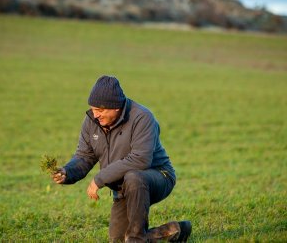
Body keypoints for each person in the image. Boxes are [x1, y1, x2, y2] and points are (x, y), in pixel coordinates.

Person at [52, 75, 192, 242]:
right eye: (93, 109)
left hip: (157, 176)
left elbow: (140, 159)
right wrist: (67, 172)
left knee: (134, 177)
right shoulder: (92, 121)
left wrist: (99, 179)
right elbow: (85, 156)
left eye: (100, 110)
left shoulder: (142, 118)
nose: (95, 114)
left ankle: (135, 240)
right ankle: (174, 230)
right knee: (118, 239)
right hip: (123, 187)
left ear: (116, 107)